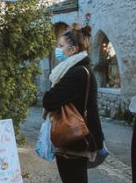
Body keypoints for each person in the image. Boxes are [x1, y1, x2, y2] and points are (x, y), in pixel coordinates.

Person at [42, 25, 104, 183]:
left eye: (61, 46)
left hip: (74, 138)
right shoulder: (82, 69)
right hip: (78, 136)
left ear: (73, 50)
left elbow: (49, 100)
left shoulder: (76, 72)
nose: (58, 49)